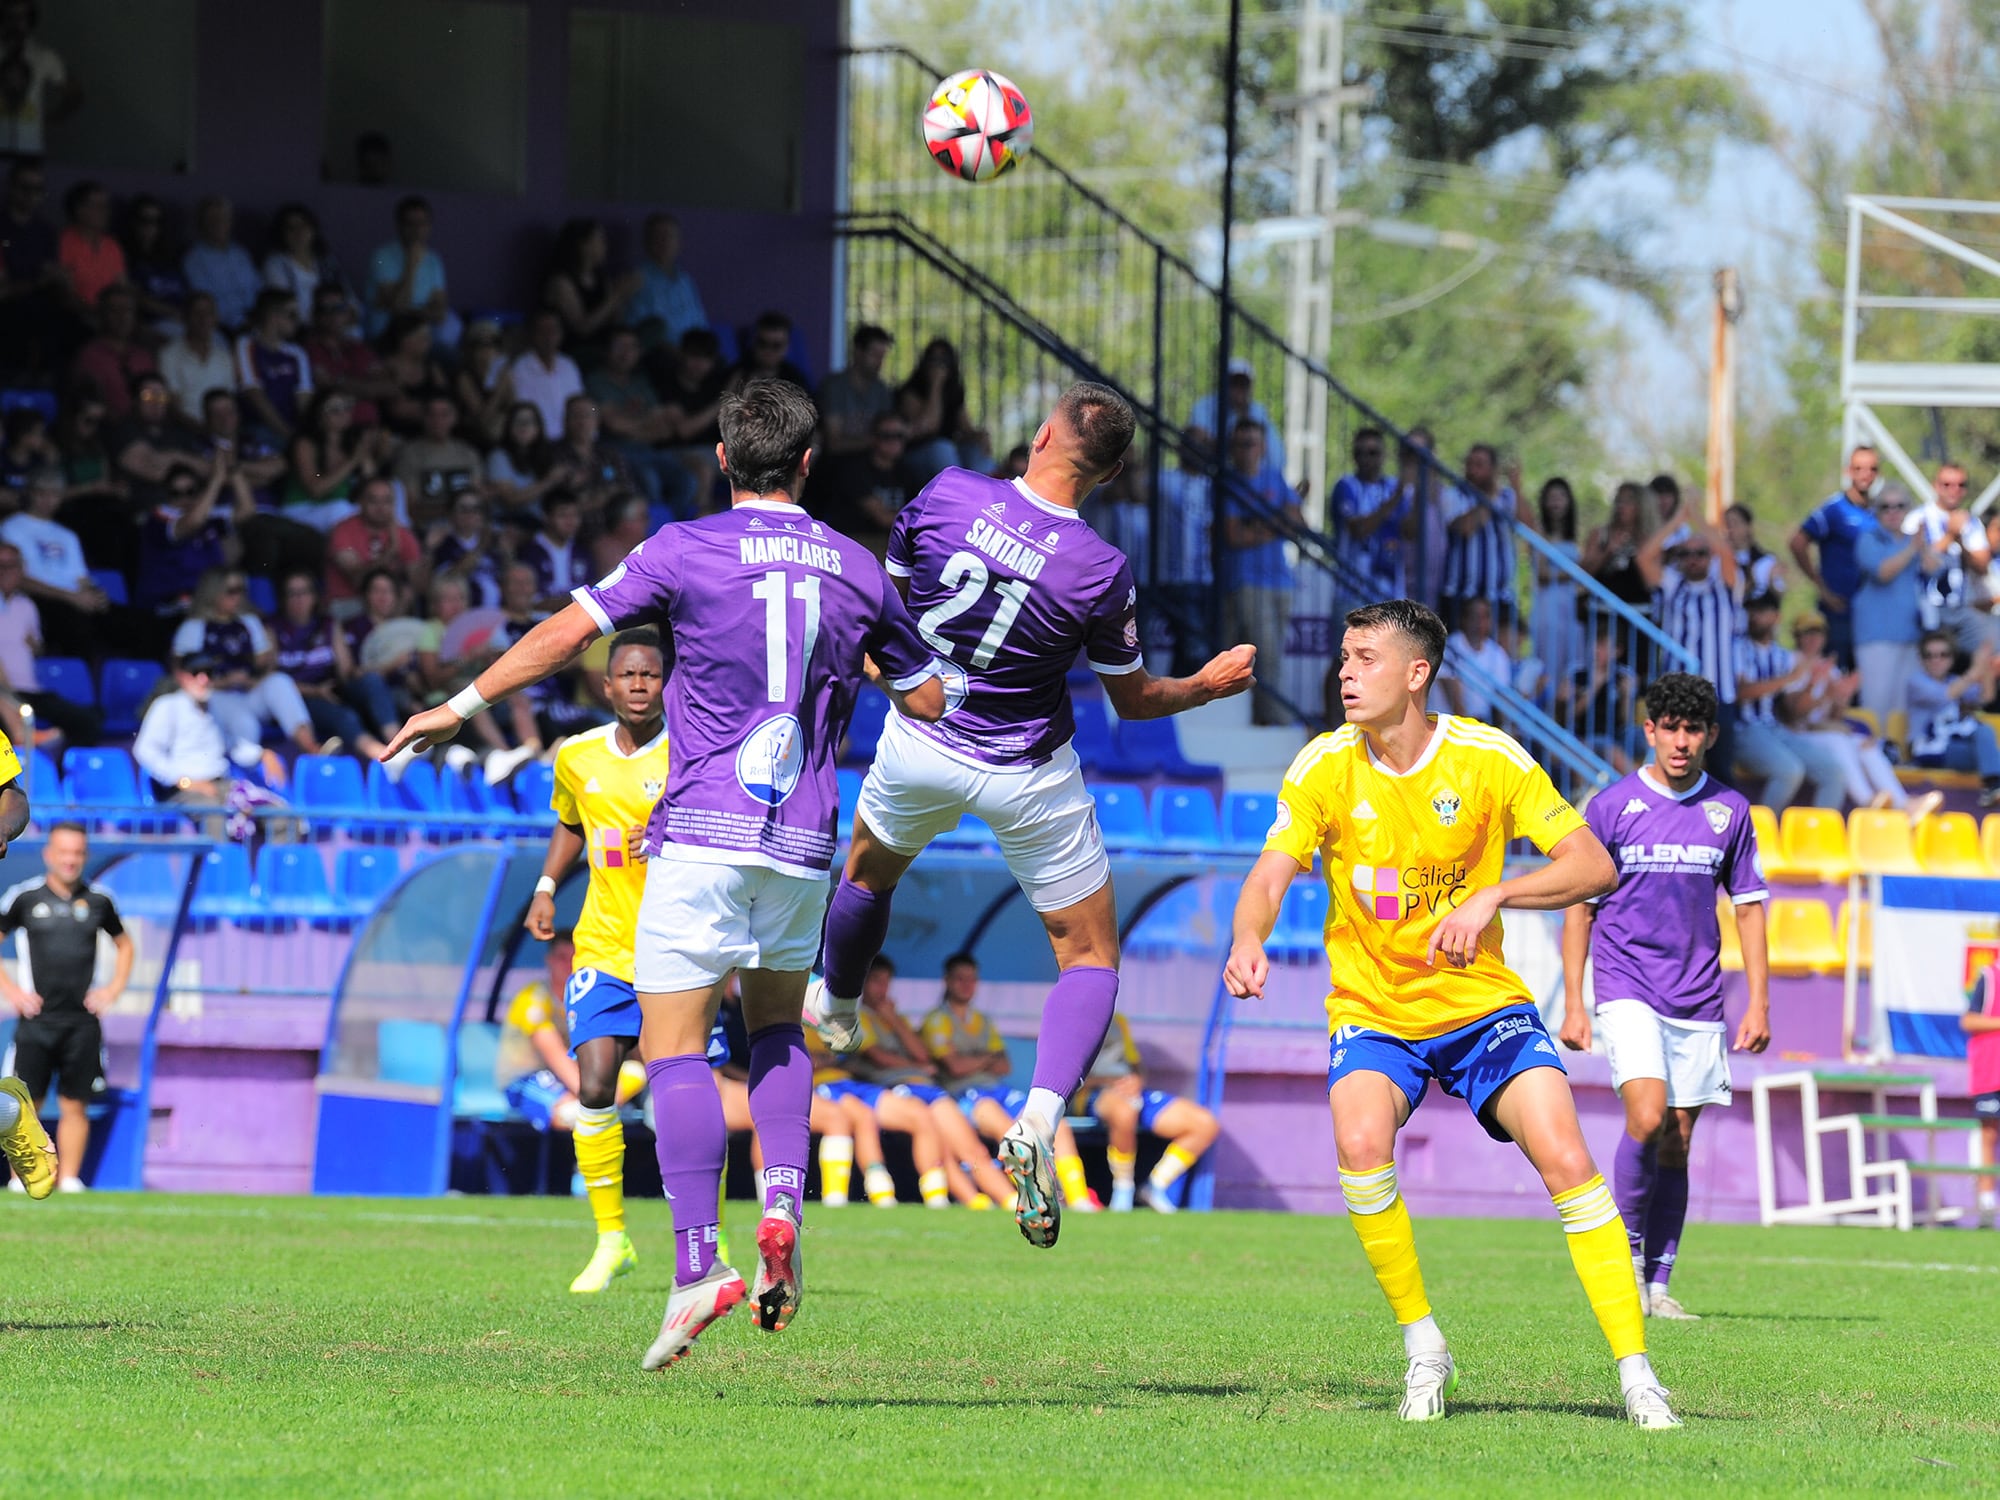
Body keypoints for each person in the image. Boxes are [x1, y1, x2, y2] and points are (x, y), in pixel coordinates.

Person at [378, 380, 946, 1369]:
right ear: (807, 464)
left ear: (722, 458)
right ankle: (781, 1209)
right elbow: (931, 699)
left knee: (675, 1050)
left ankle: (697, 1266)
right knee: (774, 1030)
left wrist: (457, 706)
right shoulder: (856, 568)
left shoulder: (682, 547)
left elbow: (564, 636)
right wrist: (859, 665)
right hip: (804, 838)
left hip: (702, 832)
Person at [809, 382, 1256, 1250]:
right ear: (1115, 473)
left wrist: (881, 666)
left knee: (866, 873)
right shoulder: (1099, 569)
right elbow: (1134, 701)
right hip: (1025, 771)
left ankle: (835, 1003)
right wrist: (1207, 684)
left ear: (1043, 432)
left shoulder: (946, 493)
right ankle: (1040, 1120)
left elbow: (883, 609)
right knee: (1088, 958)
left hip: (920, 737)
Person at [1224, 598, 1676, 1427]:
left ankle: (1638, 1374)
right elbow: (1269, 874)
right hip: (1374, 1007)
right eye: (1344, 658)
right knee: (1359, 1142)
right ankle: (1423, 1344)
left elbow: (1592, 866)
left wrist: (1498, 891)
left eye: (1364, 659)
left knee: (1567, 1156)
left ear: (1416, 674)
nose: (1345, 674)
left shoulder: (1487, 758)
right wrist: (1247, 937)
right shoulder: (1323, 764)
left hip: (1482, 1009)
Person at [1560, 673, 1771, 1321]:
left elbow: (1750, 907)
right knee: (1646, 1117)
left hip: (1698, 996)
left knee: (1677, 1138)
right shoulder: (1610, 807)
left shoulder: (1729, 812)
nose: (1680, 742)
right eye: (1668, 729)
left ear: (1708, 737)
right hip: (1627, 987)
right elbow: (1579, 905)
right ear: (1648, 731)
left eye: (1693, 731)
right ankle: (1623, 1264)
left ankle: (1657, 1283)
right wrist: (1573, 1001)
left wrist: (1759, 1001)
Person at [521, 626, 672, 1292]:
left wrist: (673, 829)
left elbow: (734, 821)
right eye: (629, 675)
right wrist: (548, 886)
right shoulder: (578, 755)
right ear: (607, 686)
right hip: (604, 943)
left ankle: (712, 1228)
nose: (640, 685)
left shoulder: (696, 752)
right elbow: (571, 823)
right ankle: (613, 1240)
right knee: (595, 1083)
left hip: (678, 946)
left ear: (666, 683)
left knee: (681, 1092)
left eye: (651, 675)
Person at [0, 823, 130, 1194]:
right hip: (36, 1021)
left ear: (84, 857)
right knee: (25, 1105)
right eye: (64, 852)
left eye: (77, 853)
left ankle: (70, 1178)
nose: (70, 860)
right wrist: (11, 990)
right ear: (49, 854)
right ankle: (22, 1179)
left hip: (81, 1023)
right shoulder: (23, 898)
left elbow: (125, 945)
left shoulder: (99, 901)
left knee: (76, 1103)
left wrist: (113, 989)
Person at [914, 951, 1095, 1213]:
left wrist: (974, 1060)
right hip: (964, 1094)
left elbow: (1003, 1064)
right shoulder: (937, 1020)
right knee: (1006, 1128)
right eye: (960, 979)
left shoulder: (983, 1020)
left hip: (996, 1089)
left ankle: (1078, 1200)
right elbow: (954, 1067)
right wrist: (985, 1058)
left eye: (972, 979)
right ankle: (1033, 1195)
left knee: (1055, 1124)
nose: (967, 985)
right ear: (947, 981)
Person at [841, 954, 1022, 1209]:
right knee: (933, 1132)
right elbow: (880, 1058)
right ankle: (949, 1199)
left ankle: (1007, 1200)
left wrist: (894, 1021)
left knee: (968, 1146)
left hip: (928, 1088)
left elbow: (923, 1054)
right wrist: (919, 1066)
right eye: (876, 981)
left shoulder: (895, 1018)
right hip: (891, 1090)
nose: (882, 988)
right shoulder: (858, 1017)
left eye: (886, 981)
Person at [1075, 1009, 1219, 1213]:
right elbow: (1065, 1074)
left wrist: (1135, 1081)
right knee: (1125, 1112)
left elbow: (1135, 1066)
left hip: (1132, 1092)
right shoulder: (1068, 1018)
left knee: (1204, 1124)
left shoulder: (1119, 1021)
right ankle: (1123, 1191)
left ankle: (1155, 1186)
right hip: (1092, 1093)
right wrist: (1109, 1081)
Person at [171, 567, 322, 757]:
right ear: (213, 592)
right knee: (245, 721)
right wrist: (225, 682)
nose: (238, 597)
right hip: (213, 696)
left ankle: (312, 747)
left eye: (241, 590)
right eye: (231, 591)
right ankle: (246, 775)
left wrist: (253, 680)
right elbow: (181, 675)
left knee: (280, 682)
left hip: (247, 692)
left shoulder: (249, 622)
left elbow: (266, 664)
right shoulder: (194, 627)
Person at [1638, 517, 1741, 786]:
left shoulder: (1725, 588)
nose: (1693, 558)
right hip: (1677, 697)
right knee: (1670, 772)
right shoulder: (1674, 586)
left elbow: (1728, 556)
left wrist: (1702, 522)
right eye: (1686, 553)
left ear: (1710, 556)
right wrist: (1678, 519)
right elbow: (1644, 557)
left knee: (1721, 773)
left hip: (1720, 695)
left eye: (1701, 553)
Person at [1218, 418, 1304, 726]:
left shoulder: (1273, 477)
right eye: (1241, 444)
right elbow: (1235, 536)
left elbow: (1297, 522)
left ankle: (1263, 719)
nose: (1247, 450)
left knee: (1272, 658)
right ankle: (1276, 723)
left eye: (1252, 443)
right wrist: (1276, 523)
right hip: (1247, 581)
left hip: (1280, 579)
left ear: (1263, 447)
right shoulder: (1229, 482)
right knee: (1264, 659)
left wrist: (1259, 525)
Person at [1731, 592, 1845, 810]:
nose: (1755, 617)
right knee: (1789, 771)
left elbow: (1793, 712)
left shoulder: (1781, 655)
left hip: (1774, 728)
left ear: (1776, 617)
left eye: (1763, 611)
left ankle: (1818, 840)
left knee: (1833, 772)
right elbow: (1740, 693)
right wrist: (1790, 678)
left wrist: (1816, 686)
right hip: (1742, 729)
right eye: (1751, 611)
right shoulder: (1737, 648)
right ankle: (1759, 837)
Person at [272, 570, 394, 758]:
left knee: (372, 681)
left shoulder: (328, 624)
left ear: (314, 596)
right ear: (283, 598)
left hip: (332, 689)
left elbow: (346, 671)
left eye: (304, 592)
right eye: (292, 593)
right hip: (301, 697)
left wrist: (365, 672)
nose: (299, 599)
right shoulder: (273, 628)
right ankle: (385, 757)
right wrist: (316, 691)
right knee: (345, 716)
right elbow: (273, 682)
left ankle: (398, 741)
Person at [587, 326, 697, 519]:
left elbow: (663, 429)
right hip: (613, 451)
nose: (626, 353)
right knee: (649, 479)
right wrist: (647, 420)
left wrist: (630, 425)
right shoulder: (595, 381)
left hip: (648, 450)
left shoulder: (641, 382)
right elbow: (612, 425)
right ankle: (651, 538)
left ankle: (671, 531)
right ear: (606, 350)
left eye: (632, 347)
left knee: (687, 480)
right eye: (620, 346)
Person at [1790, 446, 1880, 670]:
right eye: (1859, 468)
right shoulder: (1834, 509)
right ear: (1848, 471)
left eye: (1871, 469)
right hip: (1838, 613)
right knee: (1835, 675)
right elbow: (1797, 544)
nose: (1865, 474)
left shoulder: (1880, 512)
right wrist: (1823, 589)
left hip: (1870, 614)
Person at [1850, 483, 1934, 725]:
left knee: (1904, 709)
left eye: (1900, 506)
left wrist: (1925, 547)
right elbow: (1883, 572)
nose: (1893, 512)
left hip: (1910, 636)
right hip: (1877, 637)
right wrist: (1913, 548)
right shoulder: (1869, 538)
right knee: (1877, 705)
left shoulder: (1914, 541)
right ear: (1877, 511)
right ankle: (1872, 756)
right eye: (1886, 507)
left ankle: (1899, 758)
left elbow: (1935, 568)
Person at [1903, 463, 1996, 655]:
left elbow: (1982, 566)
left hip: (1962, 608)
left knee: (1990, 651)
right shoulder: (1916, 519)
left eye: (1960, 485)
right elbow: (1915, 564)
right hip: (1926, 610)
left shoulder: (1971, 522)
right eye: (1947, 484)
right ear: (1935, 486)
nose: (1954, 490)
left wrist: (1961, 542)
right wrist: (1949, 536)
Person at [1905, 631, 2000, 806]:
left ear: (1952, 658)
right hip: (1927, 750)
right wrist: (1974, 672)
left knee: (1984, 730)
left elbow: (1986, 697)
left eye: (1943, 654)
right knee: (1990, 752)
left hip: (1954, 746)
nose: (1936, 660)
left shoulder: (1956, 680)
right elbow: (1945, 695)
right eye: (1929, 655)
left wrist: (1985, 666)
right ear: (1921, 658)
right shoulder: (1916, 681)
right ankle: (1994, 785)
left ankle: (1994, 786)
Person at [806, 409, 916, 556]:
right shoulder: (855, 470)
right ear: (873, 438)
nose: (893, 441)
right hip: (854, 544)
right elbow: (882, 518)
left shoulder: (908, 472)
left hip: (891, 542)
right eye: (886, 436)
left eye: (899, 436)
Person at [1152, 426, 1215, 676]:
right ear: (1179, 447)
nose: (1197, 450)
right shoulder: (1165, 480)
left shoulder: (1212, 485)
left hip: (1205, 577)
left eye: (1203, 445)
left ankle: (1178, 700)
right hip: (1174, 577)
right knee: (1194, 648)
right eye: (1191, 443)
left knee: (1191, 647)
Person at [284, 388, 391, 533]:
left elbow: (370, 484)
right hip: (302, 509)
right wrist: (352, 461)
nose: (343, 413)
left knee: (393, 489)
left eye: (347, 406)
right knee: (341, 510)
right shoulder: (306, 444)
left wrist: (370, 459)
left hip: (339, 507)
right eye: (334, 409)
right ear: (319, 415)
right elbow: (316, 488)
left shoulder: (352, 443)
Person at [1439, 444, 1519, 632]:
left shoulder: (1507, 496)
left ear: (1493, 469)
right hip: (1461, 596)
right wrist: (1490, 496)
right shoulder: (1454, 494)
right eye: (1469, 463)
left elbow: (1528, 524)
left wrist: (1517, 487)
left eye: (1480, 464)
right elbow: (1465, 527)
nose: (1472, 470)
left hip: (1499, 597)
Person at [363, 195, 459, 348]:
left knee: (453, 328)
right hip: (389, 334)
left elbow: (440, 311)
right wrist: (411, 265)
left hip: (423, 331)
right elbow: (398, 306)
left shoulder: (433, 260)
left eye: (423, 223)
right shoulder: (381, 257)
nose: (417, 230)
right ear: (399, 226)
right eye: (411, 224)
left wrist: (416, 314)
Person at [542, 217, 640, 361]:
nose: (605, 246)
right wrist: (616, 295)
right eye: (600, 240)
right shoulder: (561, 282)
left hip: (607, 345)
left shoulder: (600, 277)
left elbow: (614, 322)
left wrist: (624, 296)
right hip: (577, 350)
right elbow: (582, 328)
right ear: (583, 245)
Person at [1522, 477, 1584, 692]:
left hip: (1572, 609)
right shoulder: (1539, 532)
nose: (1556, 502)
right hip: (1548, 606)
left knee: (1572, 661)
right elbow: (1542, 574)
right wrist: (1574, 572)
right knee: (1548, 662)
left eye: (1561, 496)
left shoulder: (1576, 536)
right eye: (1551, 497)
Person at [326, 474, 425, 608]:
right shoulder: (343, 530)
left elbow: (419, 585)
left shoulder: (403, 534)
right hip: (348, 602)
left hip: (388, 606)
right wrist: (389, 553)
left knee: (407, 593)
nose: (381, 507)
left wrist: (429, 550)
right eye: (374, 501)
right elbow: (358, 580)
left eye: (387, 501)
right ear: (361, 502)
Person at [1332, 427, 1406, 605]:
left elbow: (1410, 530)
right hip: (1351, 591)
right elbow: (1359, 530)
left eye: (1372, 453)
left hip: (1389, 591)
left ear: (1383, 455)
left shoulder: (1393, 485)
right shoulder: (1346, 486)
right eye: (1359, 453)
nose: (1365, 459)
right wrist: (1391, 503)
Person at [895, 336, 983, 481]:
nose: (939, 366)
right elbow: (929, 427)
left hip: (947, 452)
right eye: (933, 360)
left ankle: (988, 497)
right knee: (942, 448)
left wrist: (980, 437)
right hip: (916, 453)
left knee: (975, 451)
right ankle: (958, 495)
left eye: (944, 361)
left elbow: (966, 428)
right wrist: (936, 385)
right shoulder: (911, 391)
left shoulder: (954, 391)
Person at [394, 389, 483, 530]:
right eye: (432, 415)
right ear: (423, 417)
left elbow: (478, 498)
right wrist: (454, 510)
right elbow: (410, 509)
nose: (438, 420)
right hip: (426, 530)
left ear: (455, 417)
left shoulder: (468, 454)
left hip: (467, 529)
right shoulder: (409, 454)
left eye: (445, 414)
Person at [301, 285, 388, 430]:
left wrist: (342, 382)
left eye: (338, 308)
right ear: (315, 314)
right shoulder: (307, 350)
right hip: (333, 433)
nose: (333, 314)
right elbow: (327, 387)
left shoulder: (359, 347)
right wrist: (368, 389)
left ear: (348, 313)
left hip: (371, 431)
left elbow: (390, 387)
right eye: (325, 309)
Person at [233, 288, 314, 443]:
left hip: (292, 429)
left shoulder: (297, 353)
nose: (297, 320)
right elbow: (253, 393)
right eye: (292, 315)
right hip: (257, 427)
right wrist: (286, 433)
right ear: (273, 316)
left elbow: (304, 399)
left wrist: (303, 436)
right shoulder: (246, 344)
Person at [626, 211, 708, 356]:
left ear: (679, 242)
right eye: (658, 236)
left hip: (692, 353)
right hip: (660, 353)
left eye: (670, 236)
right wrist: (677, 354)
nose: (664, 242)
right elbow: (642, 330)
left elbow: (700, 321)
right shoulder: (638, 279)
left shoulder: (685, 280)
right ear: (647, 242)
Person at [69, 283, 155, 421]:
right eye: (115, 310)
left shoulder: (144, 356)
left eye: (127, 310)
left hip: (145, 430)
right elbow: (87, 404)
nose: (122, 317)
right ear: (102, 314)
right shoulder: (89, 356)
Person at [1187, 356, 1283, 475]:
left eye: (1244, 385)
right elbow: (1198, 442)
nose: (1239, 390)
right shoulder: (1204, 405)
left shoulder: (1258, 410)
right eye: (1234, 384)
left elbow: (1277, 458)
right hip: (1209, 476)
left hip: (1249, 479)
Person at [181, 196, 261, 332]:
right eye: (212, 219)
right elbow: (207, 303)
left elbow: (258, 287)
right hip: (224, 326)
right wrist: (241, 322)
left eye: (223, 218)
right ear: (201, 224)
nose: (218, 223)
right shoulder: (194, 259)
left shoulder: (240, 253)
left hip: (257, 320)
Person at [261, 203, 348, 329]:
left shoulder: (327, 262)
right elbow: (284, 308)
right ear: (282, 234)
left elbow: (348, 298)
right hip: (300, 330)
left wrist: (346, 315)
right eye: (291, 228)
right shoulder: (276, 264)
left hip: (333, 327)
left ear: (313, 229)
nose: (299, 233)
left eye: (303, 226)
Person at [816, 324, 896, 457]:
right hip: (837, 464)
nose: (879, 362)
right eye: (875, 355)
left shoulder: (882, 390)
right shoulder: (834, 386)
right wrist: (876, 441)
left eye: (882, 356)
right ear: (858, 352)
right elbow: (833, 443)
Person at [158, 292, 236, 424]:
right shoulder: (168, 355)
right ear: (185, 317)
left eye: (209, 313)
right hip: (186, 431)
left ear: (216, 318)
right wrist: (203, 431)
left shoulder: (224, 357)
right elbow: (172, 407)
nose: (203, 318)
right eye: (197, 313)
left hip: (221, 430)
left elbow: (229, 401)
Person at [1961, 964, 2000, 1225]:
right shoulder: (1990, 977)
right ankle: (1986, 1204)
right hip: (1991, 1068)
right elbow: (1968, 1019)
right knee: (1988, 1133)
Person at [509, 309, 585, 440]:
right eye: (543, 331)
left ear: (561, 334)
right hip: (537, 443)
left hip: (570, 442)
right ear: (532, 334)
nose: (548, 337)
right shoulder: (520, 368)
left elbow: (580, 406)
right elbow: (522, 413)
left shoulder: (569, 365)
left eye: (553, 330)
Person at [1438, 596, 1512, 726]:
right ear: (1464, 619)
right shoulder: (1450, 648)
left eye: (1485, 616)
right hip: (1446, 726)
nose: (1480, 622)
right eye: (1475, 616)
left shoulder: (1497, 653)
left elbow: (1503, 699)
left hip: (1477, 725)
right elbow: (1456, 703)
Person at [486, 400, 566, 520]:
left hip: (539, 521)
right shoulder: (499, 456)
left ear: (539, 427)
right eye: (518, 421)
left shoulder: (545, 455)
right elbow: (510, 500)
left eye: (530, 421)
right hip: (509, 521)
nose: (524, 426)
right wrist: (549, 481)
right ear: (508, 427)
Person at [428, 489, 506, 609]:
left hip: (496, 616)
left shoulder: (494, 545)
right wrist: (481, 546)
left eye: (476, 509)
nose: (470, 514)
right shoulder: (444, 545)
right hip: (464, 618)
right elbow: (448, 579)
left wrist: (508, 553)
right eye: (464, 509)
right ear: (451, 515)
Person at [120, 194, 189, 331]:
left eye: (157, 221)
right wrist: (173, 312)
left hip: (185, 320)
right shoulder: (124, 255)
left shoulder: (171, 256)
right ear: (134, 222)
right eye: (145, 220)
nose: (151, 226)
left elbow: (187, 292)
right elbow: (136, 298)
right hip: (153, 323)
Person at [55, 180, 123, 311]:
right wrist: (92, 311)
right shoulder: (63, 242)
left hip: (113, 316)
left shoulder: (112, 245)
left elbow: (122, 287)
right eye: (99, 206)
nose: (105, 212)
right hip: (79, 315)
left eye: (106, 206)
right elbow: (66, 294)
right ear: (79, 210)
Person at [727, 310, 811, 397]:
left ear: (786, 347)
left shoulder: (796, 381)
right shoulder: (737, 374)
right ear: (753, 342)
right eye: (762, 343)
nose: (768, 351)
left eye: (776, 346)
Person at [1724, 502, 1783, 600]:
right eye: (1727, 525)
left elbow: (1779, 595)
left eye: (1735, 524)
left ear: (1748, 526)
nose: (1730, 530)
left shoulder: (1766, 561)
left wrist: (1772, 581)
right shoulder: (1720, 560)